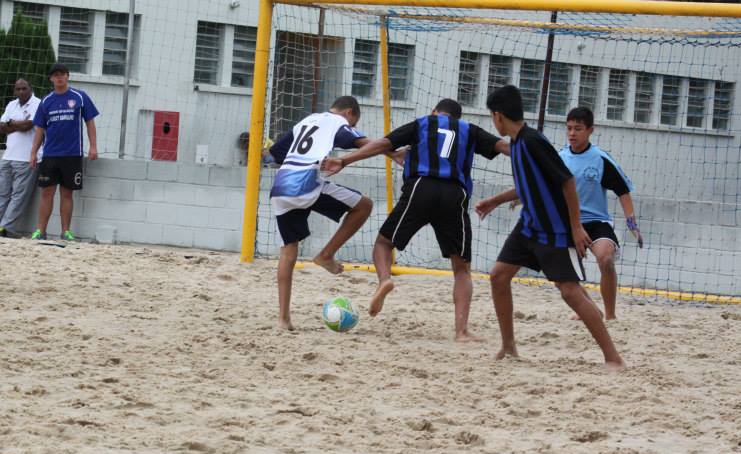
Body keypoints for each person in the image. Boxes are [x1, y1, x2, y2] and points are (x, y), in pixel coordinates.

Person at [321, 98, 509, 341]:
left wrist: (345, 160)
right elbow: (504, 147)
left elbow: (382, 144)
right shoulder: (470, 130)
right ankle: (461, 332)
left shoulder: (422, 123)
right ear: (457, 118)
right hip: (455, 194)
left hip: (421, 187)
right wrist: (531, 155)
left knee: (383, 243)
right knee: (461, 268)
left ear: (434, 112)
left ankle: (384, 281)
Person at [474, 85, 623, 369]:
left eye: (492, 117)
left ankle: (613, 358)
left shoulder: (533, 142)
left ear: (498, 116)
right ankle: (508, 346)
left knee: (570, 292)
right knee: (498, 276)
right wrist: (494, 200)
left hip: (553, 229)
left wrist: (576, 227)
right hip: (528, 226)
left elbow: (567, 181)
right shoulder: (517, 143)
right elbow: (527, 185)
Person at [267, 96, 378, 331]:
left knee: (288, 253)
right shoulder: (337, 122)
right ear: (349, 113)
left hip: (281, 188)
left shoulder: (307, 121)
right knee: (364, 205)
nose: (352, 127)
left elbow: (276, 152)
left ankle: (283, 319)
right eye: (353, 123)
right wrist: (394, 152)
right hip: (306, 185)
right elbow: (365, 144)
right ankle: (326, 255)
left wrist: (306, 159)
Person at [559, 106, 642, 320]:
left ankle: (610, 316)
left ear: (590, 130)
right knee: (563, 275)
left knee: (605, 259)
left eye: (578, 129)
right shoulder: (560, 158)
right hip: (569, 223)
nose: (572, 133)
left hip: (596, 222)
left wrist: (632, 224)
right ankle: (589, 310)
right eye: (569, 128)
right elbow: (543, 185)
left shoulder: (600, 159)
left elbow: (622, 191)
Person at [29, 63, 99, 241]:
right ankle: (40, 231)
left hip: (72, 154)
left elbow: (90, 122)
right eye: (55, 75)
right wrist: (33, 153)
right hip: (50, 154)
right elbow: (39, 129)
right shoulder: (46, 101)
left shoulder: (80, 97)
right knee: (47, 193)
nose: (59, 77)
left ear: (68, 76)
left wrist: (93, 146)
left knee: (67, 193)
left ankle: (66, 231)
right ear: (51, 78)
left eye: (62, 74)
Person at [0, 78, 41, 238]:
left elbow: (29, 125)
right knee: (0, 193)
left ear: (31, 89)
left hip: (26, 158)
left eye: (24, 88)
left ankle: (5, 228)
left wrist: (12, 123)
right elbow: (2, 128)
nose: (21, 92)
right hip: (8, 156)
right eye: (18, 89)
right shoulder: (11, 105)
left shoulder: (38, 104)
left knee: (18, 196)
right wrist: (19, 124)